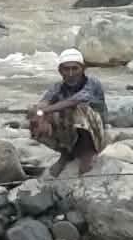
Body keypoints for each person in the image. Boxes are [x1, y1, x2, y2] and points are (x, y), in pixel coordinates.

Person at [28, 48, 108, 177]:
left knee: (77, 108)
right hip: (72, 133)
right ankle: (66, 152)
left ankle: (87, 152)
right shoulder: (58, 87)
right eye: (66, 69)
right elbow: (43, 103)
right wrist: (40, 116)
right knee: (35, 115)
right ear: (60, 71)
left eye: (75, 68)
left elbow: (74, 101)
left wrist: (45, 111)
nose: (71, 73)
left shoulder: (92, 83)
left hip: (96, 133)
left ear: (82, 69)